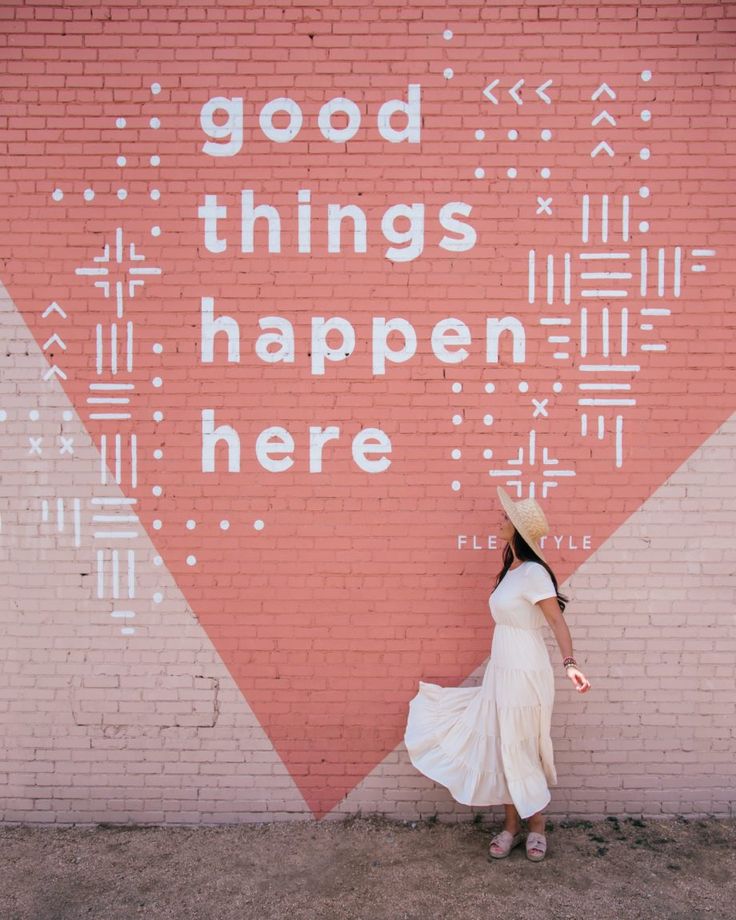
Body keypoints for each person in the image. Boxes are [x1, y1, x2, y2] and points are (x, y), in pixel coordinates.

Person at [404, 485, 592, 862]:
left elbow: (556, 621)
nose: (500, 521)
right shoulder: (512, 570)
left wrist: (570, 664)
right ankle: (510, 825)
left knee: (519, 744)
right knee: (500, 744)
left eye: (506, 518)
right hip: (501, 668)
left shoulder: (535, 573)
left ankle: (535, 826)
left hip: (525, 669)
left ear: (519, 530)